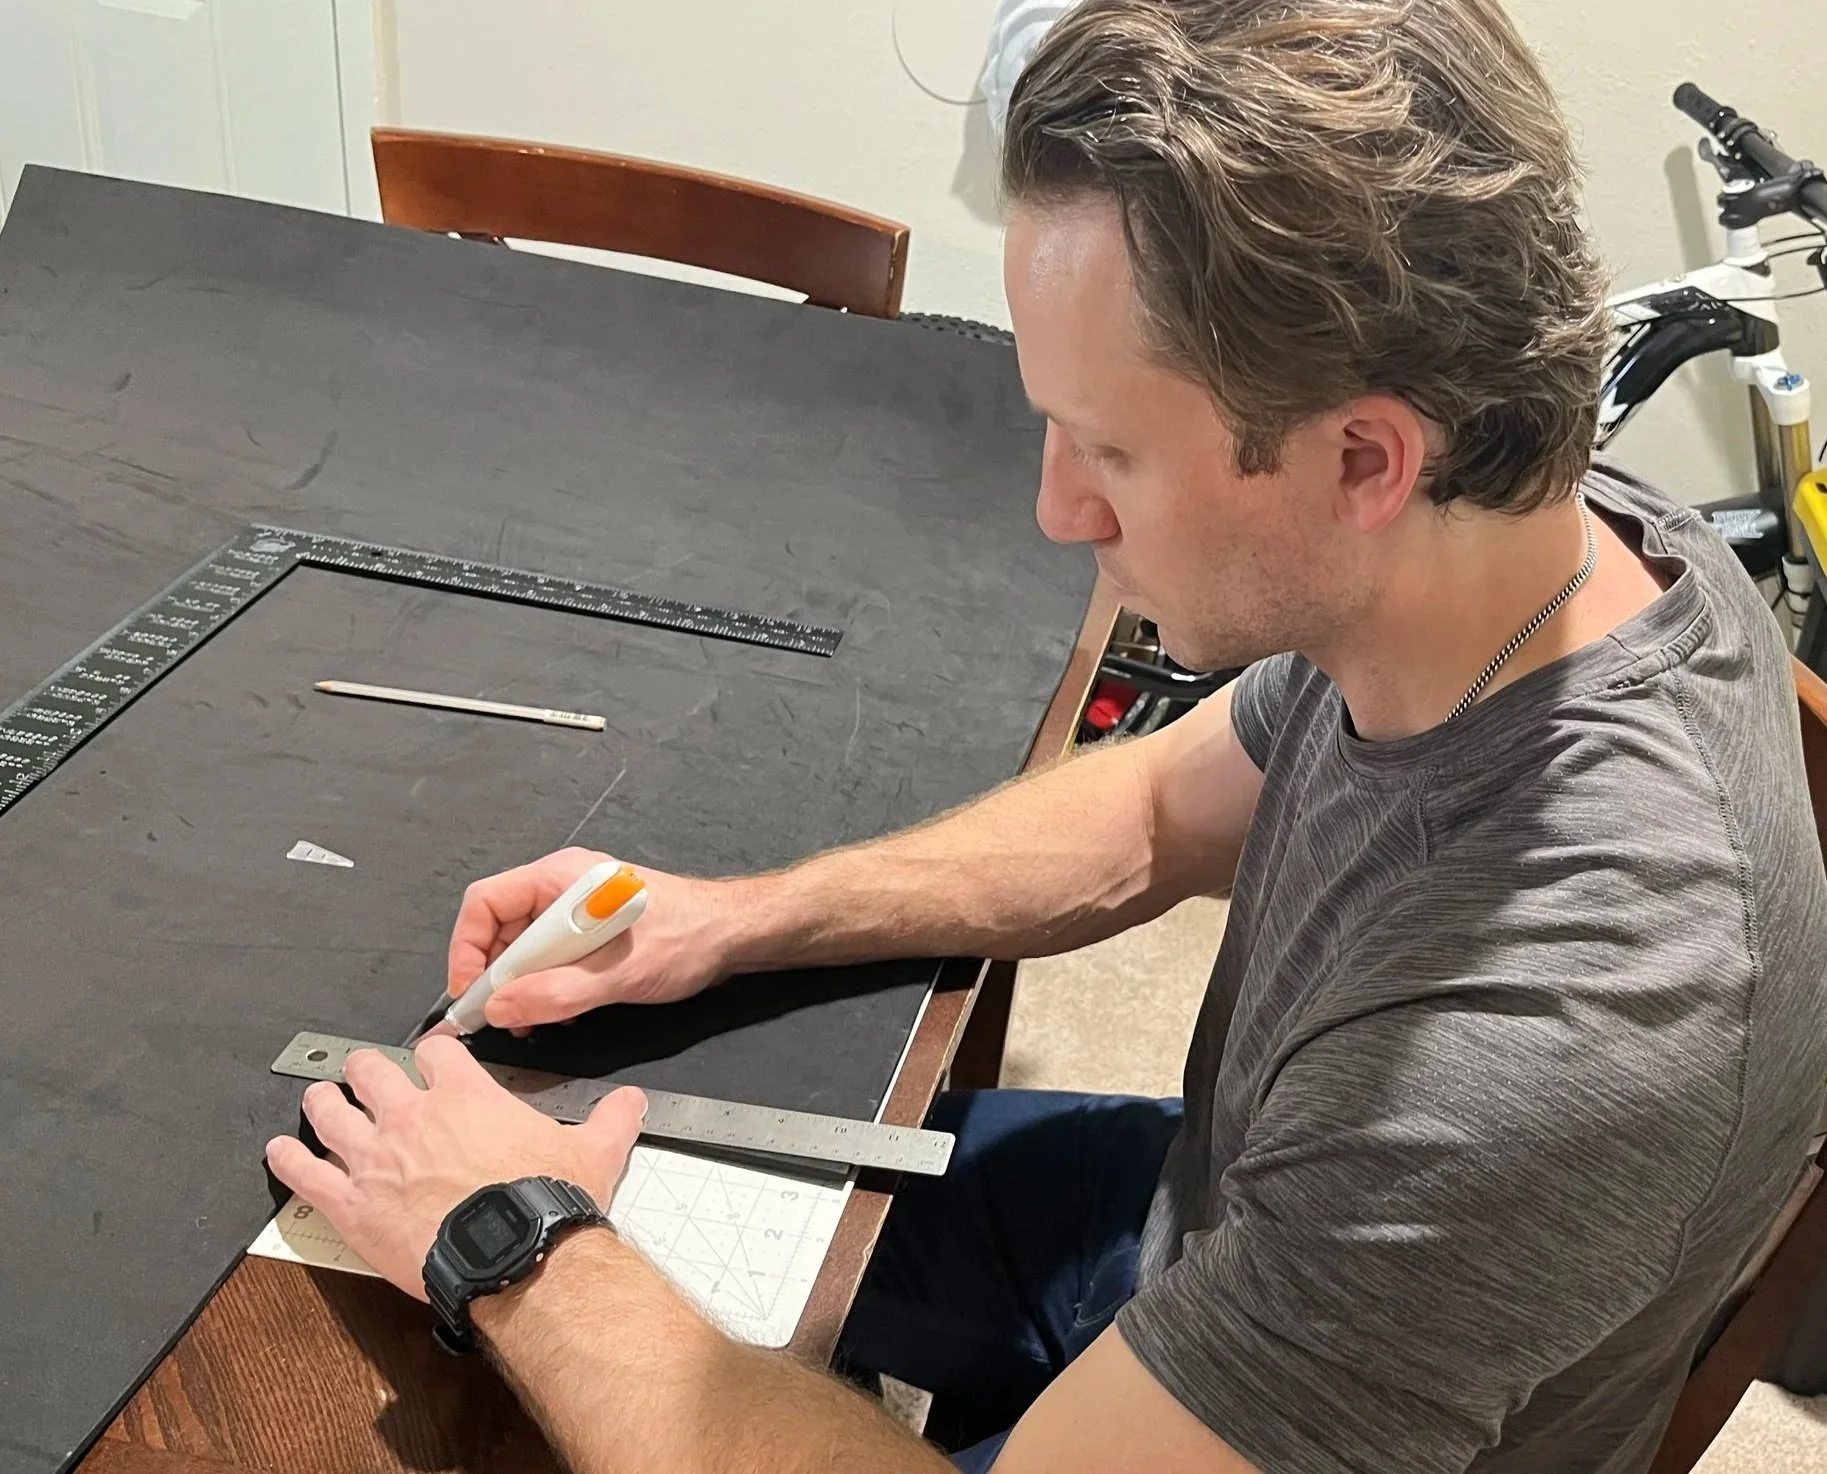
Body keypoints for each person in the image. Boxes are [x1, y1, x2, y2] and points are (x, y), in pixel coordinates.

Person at [267, 1, 1827, 1470]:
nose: (1054, 509)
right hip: (1197, 1217)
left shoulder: (1548, 1039)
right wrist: (732, 919)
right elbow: (1159, 810)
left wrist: (518, 1249)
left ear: (1362, 455)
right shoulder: (1530, 541)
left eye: (1109, 451)